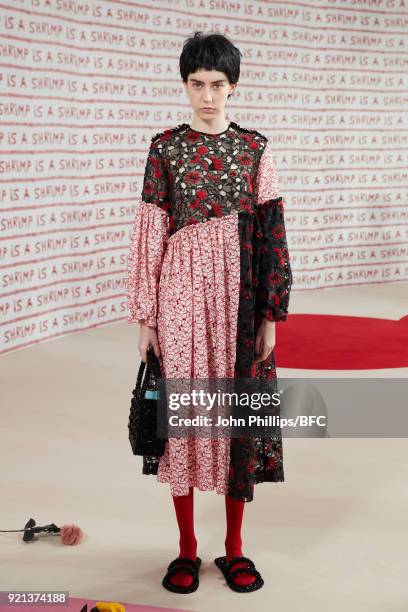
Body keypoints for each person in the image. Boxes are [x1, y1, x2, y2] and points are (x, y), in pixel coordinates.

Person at [125, 31, 293, 594]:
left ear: (234, 87)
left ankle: (235, 549)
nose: (206, 96)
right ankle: (187, 549)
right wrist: (146, 316)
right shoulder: (164, 149)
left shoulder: (255, 149)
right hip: (179, 298)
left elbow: (272, 232)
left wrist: (271, 314)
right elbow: (150, 233)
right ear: (184, 85)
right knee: (185, 424)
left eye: (217, 85)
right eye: (196, 84)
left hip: (240, 300)